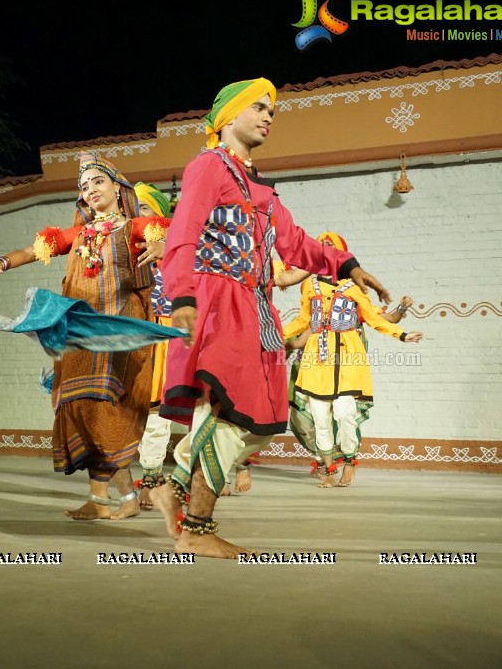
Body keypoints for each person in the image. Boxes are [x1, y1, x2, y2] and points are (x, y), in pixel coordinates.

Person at [150, 78, 393, 558]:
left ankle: (175, 488)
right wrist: (182, 298)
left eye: (272, 111)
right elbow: (182, 233)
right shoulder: (207, 167)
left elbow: (296, 243)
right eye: (259, 108)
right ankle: (195, 528)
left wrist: (348, 265)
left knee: (260, 417)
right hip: (219, 301)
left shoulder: (257, 187)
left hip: (255, 306)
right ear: (229, 116)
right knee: (236, 412)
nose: (268, 116)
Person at [0, 154, 169, 520]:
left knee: (102, 405)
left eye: (97, 181)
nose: (90, 189)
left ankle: (111, 500)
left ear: (117, 187)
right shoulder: (79, 234)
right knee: (78, 406)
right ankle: (114, 500)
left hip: (116, 331)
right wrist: (1, 263)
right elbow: (34, 250)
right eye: (84, 186)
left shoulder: (136, 227)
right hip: (79, 334)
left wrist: (162, 244)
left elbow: (176, 233)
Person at [282, 231, 422, 487]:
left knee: (345, 414)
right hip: (316, 358)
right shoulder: (308, 285)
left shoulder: (353, 287)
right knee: (320, 418)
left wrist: (402, 335)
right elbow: (303, 320)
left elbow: (375, 318)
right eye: (320, 246)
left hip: (347, 357)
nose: (324, 250)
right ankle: (328, 468)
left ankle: (349, 461)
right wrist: (274, 335)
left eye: (330, 247)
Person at [131, 182, 174, 509]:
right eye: (135, 209)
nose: (138, 215)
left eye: (144, 208)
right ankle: (149, 476)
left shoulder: (180, 245)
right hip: (140, 333)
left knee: (161, 409)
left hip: (173, 332)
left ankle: (153, 478)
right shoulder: (128, 248)